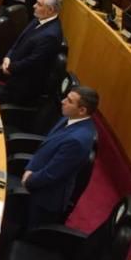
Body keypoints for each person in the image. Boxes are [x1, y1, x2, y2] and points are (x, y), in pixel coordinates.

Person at [21, 86, 100, 227]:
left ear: (82, 110)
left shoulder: (78, 141)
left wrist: (28, 181)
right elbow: (45, 147)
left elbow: (51, 175)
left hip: (45, 199)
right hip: (36, 175)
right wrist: (30, 168)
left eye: (69, 101)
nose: (63, 101)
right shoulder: (70, 117)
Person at [0, 0, 65, 106]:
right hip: (14, 75)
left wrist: (10, 68)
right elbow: (19, 41)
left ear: (50, 10)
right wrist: (8, 56)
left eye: (39, 4)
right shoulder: (39, 18)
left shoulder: (51, 35)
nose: (34, 6)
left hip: (23, 87)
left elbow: (33, 62)